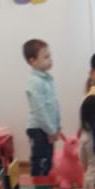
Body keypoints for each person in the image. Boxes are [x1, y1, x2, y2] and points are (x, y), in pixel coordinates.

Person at [23, 38, 62, 177]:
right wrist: (51, 130)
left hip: (48, 129)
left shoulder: (47, 79)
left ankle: (45, 185)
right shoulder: (35, 82)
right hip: (38, 129)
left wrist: (57, 126)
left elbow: (54, 105)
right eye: (46, 57)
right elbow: (39, 110)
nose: (50, 59)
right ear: (32, 61)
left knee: (48, 161)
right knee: (40, 161)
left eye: (49, 56)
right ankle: (38, 187)